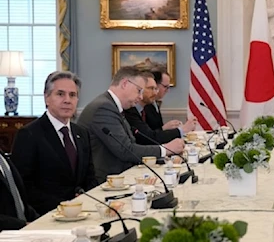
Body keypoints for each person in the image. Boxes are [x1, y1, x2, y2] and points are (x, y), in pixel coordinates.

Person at [11, 71, 98, 215]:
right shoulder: (29, 134)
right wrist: (64, 206)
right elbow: (23, 186)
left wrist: (84, 199)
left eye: (72, 95)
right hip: (46, 215)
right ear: (47, 98)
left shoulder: (81, 133)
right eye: (60, 94)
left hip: (82, 212)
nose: (67, 100)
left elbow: (90, 178)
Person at [79, 66, 185, 183]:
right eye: (139, 90)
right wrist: (166, 149)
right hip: (104, 181)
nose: (140, 97)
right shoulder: (104, 108)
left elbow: (131, 143)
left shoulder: (113, 105)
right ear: (125, 84)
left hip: (119, 176)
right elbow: (125, 150)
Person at [124, 72, 196, 145]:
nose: (155, 93)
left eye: (156, 89)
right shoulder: (129, 110)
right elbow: (149, 138)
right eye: (151, 88)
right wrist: (182, 130)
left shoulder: (146, 108)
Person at [0, 148, 38, 231]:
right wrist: (21, 225)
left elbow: (17, 198)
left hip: (24, 232)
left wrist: (38, 220)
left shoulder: (2, 156)